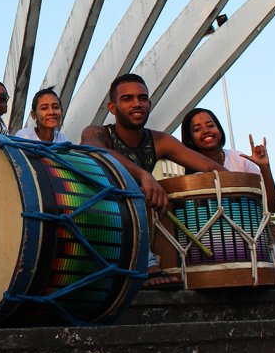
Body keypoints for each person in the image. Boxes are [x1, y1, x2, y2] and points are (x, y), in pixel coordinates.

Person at [80, 73, 224, 288]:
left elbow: (213, 169)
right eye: (127, 99)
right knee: (132, 191)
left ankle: (241, 260)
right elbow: (93, 148)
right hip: (101, 221)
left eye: (142, 98)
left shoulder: (159, 140)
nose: (137, 104)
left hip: (142, 219)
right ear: (112, 107)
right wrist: (143, 175)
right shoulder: (98, 132)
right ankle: (147, 265)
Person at [180, 107, 275, 269]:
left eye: (210, 125)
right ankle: (259, 269)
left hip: (255, 245)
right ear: (190, 138)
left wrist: (265, 168)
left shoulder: (239, 159)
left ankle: (256, 268)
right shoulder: (192, 174)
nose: (206, 131)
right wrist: (262, 233)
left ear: (219, 129)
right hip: (219, 248)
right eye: (197, 129)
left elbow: (272, 206)